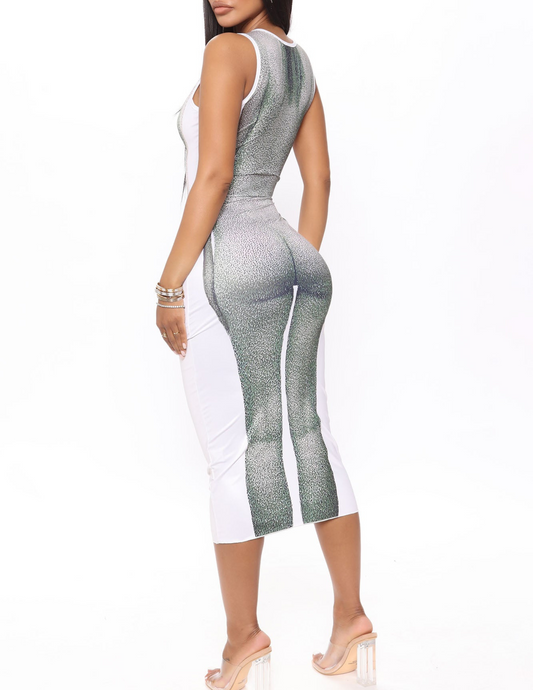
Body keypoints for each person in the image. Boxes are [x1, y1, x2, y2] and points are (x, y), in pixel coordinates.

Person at [155, 2, 377, 688]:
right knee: (312, 434)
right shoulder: (299, 64)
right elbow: (320, 179)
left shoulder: (227, 53)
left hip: (227, 261)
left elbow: (214, 175)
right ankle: (351, 619)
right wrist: (293, 263)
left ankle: (242, 640)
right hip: (294, 260)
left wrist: (170, 284)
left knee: (234, 454)